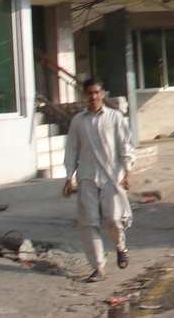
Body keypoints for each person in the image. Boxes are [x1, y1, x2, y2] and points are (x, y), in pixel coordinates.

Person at [62, 77, 136, 283]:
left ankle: (120, 246)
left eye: (96, 92)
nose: (93, 96)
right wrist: (69, 178)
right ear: (84, 95)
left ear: (103, 94)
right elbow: (72, 150)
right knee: (89, 223)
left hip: (111, 177)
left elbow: (125, 146)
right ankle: (98, 267)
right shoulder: (78, 121)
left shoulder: (114, 117)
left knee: (113, 218)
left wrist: (128, 172)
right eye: (89, 93)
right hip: (86, 177)